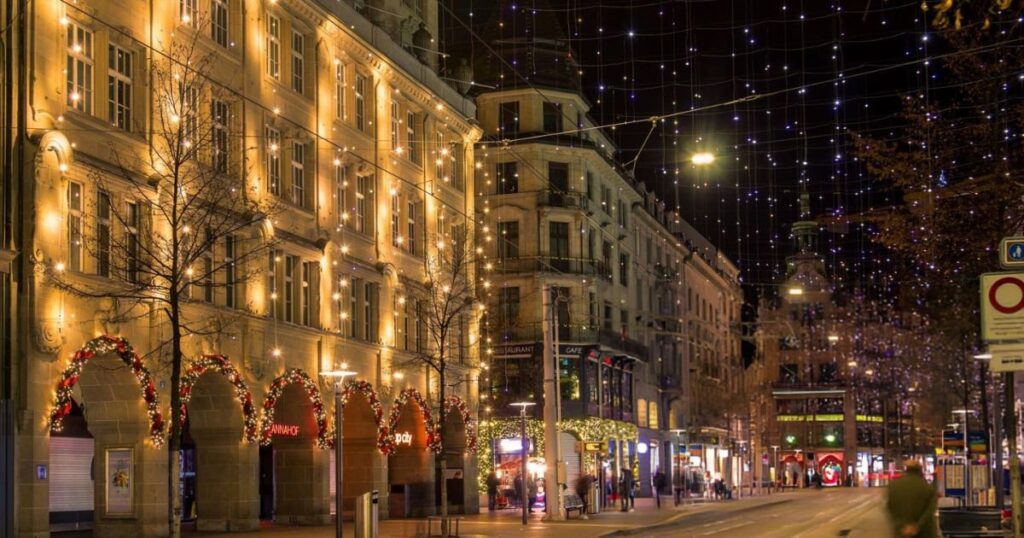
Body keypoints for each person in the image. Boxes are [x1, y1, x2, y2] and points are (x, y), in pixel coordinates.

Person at [886, 460, 937, 538]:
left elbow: (890, 507)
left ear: (906, 470)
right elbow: (930, 510)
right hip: (924, 532)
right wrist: (916, 526)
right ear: (920, 470)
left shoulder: (893, 486)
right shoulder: (927, 487)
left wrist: (902, 526)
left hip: (902, 532)